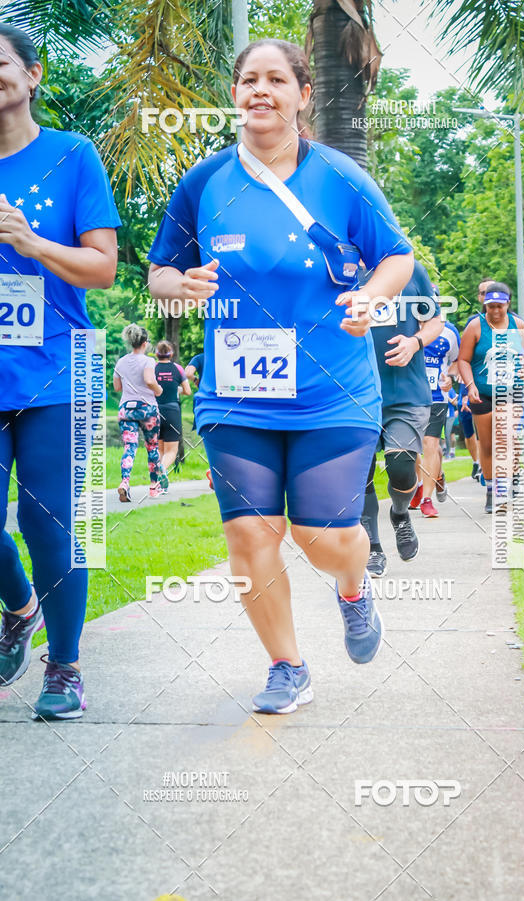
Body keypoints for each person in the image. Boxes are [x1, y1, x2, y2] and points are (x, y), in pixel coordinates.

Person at [147, 38, 415, 714]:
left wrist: (371, 298)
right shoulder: (204, 182)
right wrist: (179, 286)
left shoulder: (341, 178)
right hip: (237, 395)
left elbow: (397, 258)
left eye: (275, 79)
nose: (259, 90)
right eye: (247, 80)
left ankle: (352, 588)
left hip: (333, 390)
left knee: (322, 538)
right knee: (249, 534)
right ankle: (287, 665)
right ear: (235, 94)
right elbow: (157, 273)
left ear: (303, 93)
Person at [0, 26, 120, 718]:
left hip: (55, 368)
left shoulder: (72, 156)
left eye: (2, 63)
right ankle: (19, 606)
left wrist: (28, 240)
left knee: (49, 523)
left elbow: (102, 269)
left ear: (33, 75)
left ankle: (65, 667)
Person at [361, 260, 443, 573]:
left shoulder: (411, 270)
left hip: (405, 391)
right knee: (361, 475)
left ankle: (399, 513)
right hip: (356, 391)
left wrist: (414, 342)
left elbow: (435, 321)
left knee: (401, 466)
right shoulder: (338, 269)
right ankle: (372, 547)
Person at [458, 283, 524, 513]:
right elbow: (463, 360)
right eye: (490, 306)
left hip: (510, 391)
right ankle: (492, 490)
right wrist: (470, 385)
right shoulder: (476, 326)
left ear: (508, 304)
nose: (494, 311)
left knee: (505, 437)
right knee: (488, 444)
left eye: (499, 306)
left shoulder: (517, 324)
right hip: (482, 393)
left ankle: (507, 483)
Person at [411, 320, 459, 518]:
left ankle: (426, 499)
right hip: (409, 396)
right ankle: (425, 482)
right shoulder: (404, 325)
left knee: (430, 443)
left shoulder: (449, 331)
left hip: (437, 397)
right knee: (411, 447)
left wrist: (451, 378)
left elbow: (457, 361)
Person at [113, 325, 165, 500]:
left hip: (126, 409)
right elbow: (150, 380)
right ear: (145, 343)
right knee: (152, 448)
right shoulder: (148, 361)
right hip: (147, 409)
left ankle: (125, 483)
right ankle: (153, 488)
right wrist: (159, 390)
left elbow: (117, 387)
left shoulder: (120, 362)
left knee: (130, 447)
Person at [155, 339, 191, 483]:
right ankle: (163, 469)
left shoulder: (152, 368)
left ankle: (158, 481)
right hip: (172, 411)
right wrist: (175, 388)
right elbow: (187, 391)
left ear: (157, 354)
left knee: (159, 448)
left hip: (155, 411)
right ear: (171, 354)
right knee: (171, 450)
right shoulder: (178, 369)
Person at [457, 379, 481, 479]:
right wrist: (464, 395)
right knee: (468, 435)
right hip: (462, 400)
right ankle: (476, 462)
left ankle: (481, 466)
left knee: (481, 434)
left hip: (480, 397)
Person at [444, 385, 458, 459]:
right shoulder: (439, 388)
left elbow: (455, 403)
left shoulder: (451, 390)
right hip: (441, 415)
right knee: (440, 436)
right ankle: (443, 452)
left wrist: (447, 397)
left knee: (448, 435)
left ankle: (449, 453)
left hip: (450, 416)